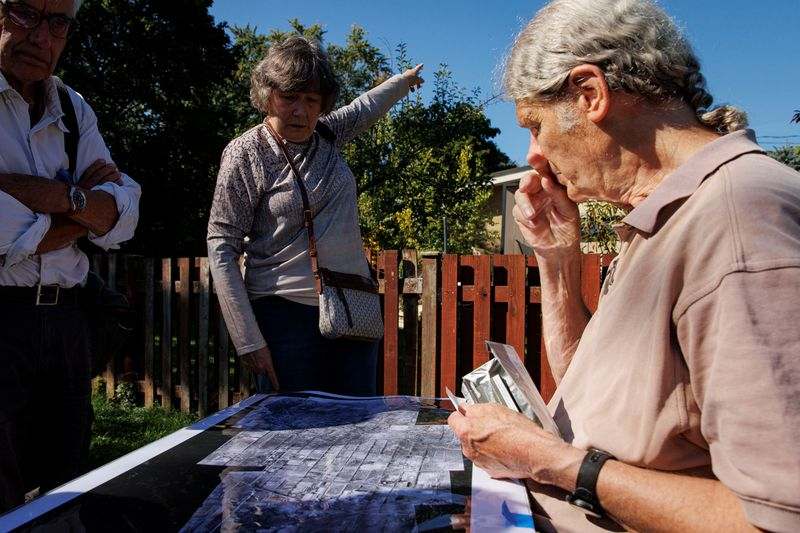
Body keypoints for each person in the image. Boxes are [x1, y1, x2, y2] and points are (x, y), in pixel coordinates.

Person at [448, 1, 800, 531]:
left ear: (590, 94)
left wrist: (550, 461)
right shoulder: (666, 217)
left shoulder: (740, 220)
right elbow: (603, 397)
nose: (535, 154)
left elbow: (773, 521)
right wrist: (559, 258)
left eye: (535, 125)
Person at [207, 36, 424, 396]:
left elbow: (365, 107)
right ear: (267, 94)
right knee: (294, 438)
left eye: (311, 100)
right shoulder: (246, 154)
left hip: (353, 310)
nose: (301, 111)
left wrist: (402, 82)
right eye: (289, 97)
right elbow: (221, 246)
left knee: (358, 428)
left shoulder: (327, 133)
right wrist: (248, 340)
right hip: (285, 319)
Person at [0, 0, 141, 513]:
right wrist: (82, 209)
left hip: (66, 321)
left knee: (65, 488)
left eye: (57, 21)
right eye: (23, 13)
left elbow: (125, 212)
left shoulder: (73, 107)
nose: (41, 36)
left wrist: (63, 200)